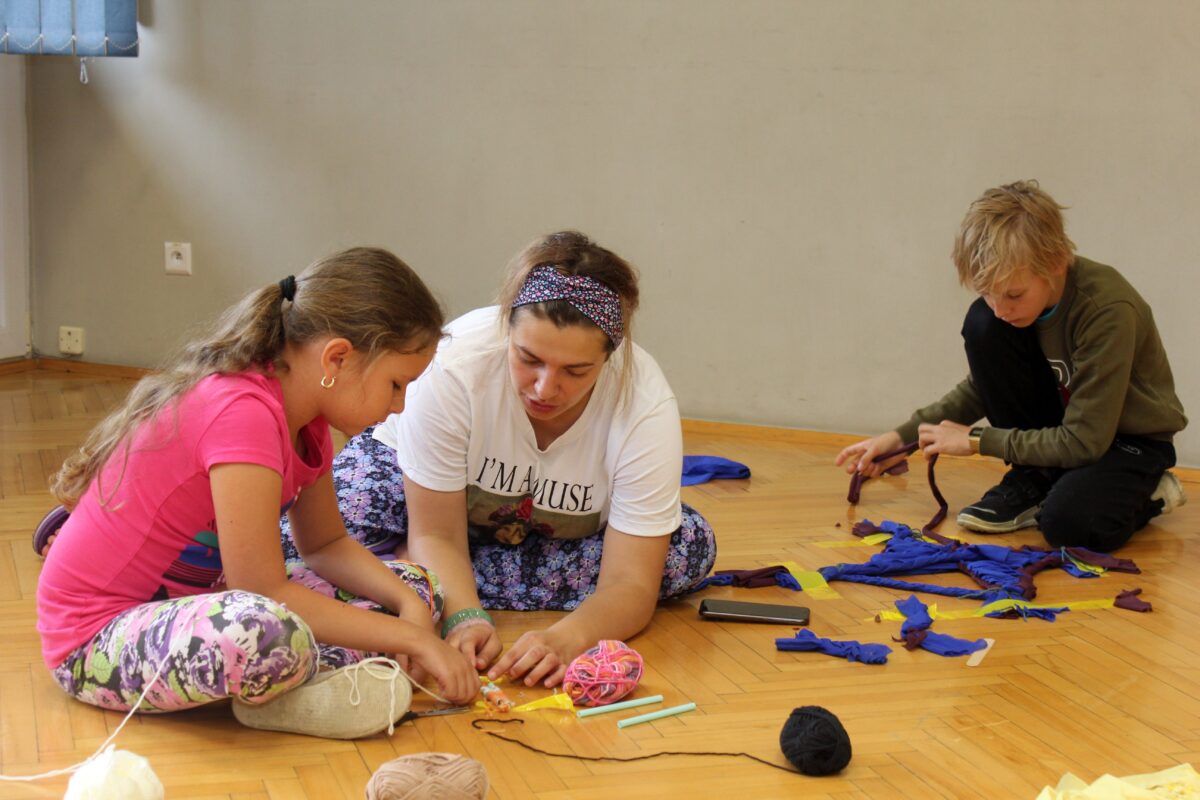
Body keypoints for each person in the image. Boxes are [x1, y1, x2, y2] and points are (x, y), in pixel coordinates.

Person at [35, 248, 479, 728]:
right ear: (338, 357)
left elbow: (326, 545)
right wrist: (415, 640)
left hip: (199, 608)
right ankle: (283, 696)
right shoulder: (241, 413)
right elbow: (262, 588)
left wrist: (409, 609)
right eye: (396, 384)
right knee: (264, 633)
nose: (400, 405)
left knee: (415, 583)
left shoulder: (308, 422)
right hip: (94, 640)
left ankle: (287, 681)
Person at [284, 231, 717, 688]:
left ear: (609, 358)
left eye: (576, 371)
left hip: (503, 535)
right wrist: (466, 617)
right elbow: (435, 529)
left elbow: (631, 581)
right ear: (506, 330)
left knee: (685, 548)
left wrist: (569, 637)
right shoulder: (453, 365)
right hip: (431, 506)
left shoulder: (644, 404)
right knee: (309, 533)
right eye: (529, 358)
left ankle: (416, 573)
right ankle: (438, 575)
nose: (546, 389)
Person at [835, 180, 1187, 553]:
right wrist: (900, 438)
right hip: (1072, 427)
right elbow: (984, 388)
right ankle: (1037, 477)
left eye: (1014, 295)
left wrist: (976, 441)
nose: (1002, 308)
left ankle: (1151, 493)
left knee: (1068, 523)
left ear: (1054, 263)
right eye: (988, 293)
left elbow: (1085, 441)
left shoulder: (1106, 312)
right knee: (981, 323)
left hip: (1128, 441)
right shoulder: (1013, 310)